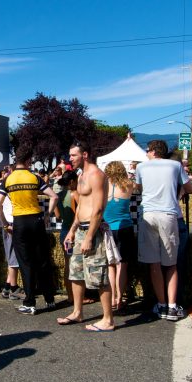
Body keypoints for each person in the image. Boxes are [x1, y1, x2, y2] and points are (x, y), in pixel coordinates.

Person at [135, 140, 192, 321]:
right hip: (168, 214)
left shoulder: (141, 167)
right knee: (171, 264)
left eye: (147, 150)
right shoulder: (175, 165)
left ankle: (161, 304)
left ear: (153, 151)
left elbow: (138, 188)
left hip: (148, 213)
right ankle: (172, 306)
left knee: (154, 263)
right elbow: (189, 187)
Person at [0, 146, 58, 315]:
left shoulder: (8, 179)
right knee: (43, 260)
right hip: (36, 220)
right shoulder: (34, 177)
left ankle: (30, 303)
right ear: (29, 160)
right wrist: (47, 215)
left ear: (17, 160)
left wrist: (5, 224)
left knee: (26, 263)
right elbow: (54, 196)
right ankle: (50, 299)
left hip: (19, 222)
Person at [61, 140, 116, 331]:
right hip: (80, 230)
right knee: (75, 273)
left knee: (99, 276)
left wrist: (90, 236)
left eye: (73, 155)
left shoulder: (96, 175)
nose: (70, 159)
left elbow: (98, 209)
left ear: (84, 155)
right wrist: (72, 231)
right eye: (70, 155)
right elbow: (82, 206)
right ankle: (77, 312)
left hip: (93, 231)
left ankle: (108, 320)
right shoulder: (80, 175)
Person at [103, 161, 136, 312]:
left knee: (110, 264)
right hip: (124, 227)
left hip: (108, 229)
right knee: (122, 264)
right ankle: (119, 297)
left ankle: (111, 298)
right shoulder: (129, 185)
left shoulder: (104, 186)